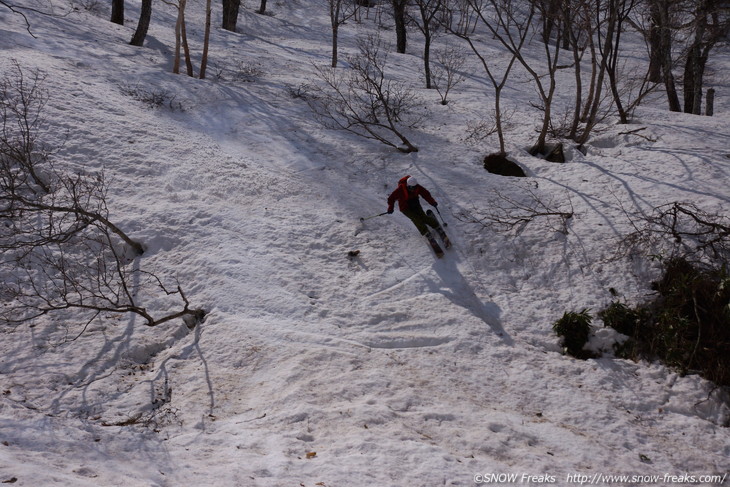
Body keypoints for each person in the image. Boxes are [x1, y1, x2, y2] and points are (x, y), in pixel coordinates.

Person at [387, 175, 450, 254]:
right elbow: (391, 199)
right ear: (407, 185)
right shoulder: (400, 189)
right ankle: (425, 232)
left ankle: (435, 225)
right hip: (405, 207)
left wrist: (432, 202)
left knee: (423, 217)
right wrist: (390, 208)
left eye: (414, 188)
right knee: (416, 219)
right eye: (411, 188)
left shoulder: (417, 187)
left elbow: (426, 194)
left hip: (415, 204)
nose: (413, 189)